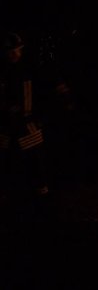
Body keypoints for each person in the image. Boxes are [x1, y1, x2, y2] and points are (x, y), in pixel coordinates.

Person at [0, 31, 51, 220]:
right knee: (5, 161)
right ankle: (9, 197)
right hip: (5, 125)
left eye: (16, 50)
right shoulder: (3, 72)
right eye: (9, 51)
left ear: (21, 50)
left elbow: (43, 94)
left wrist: (39, 117)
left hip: (28, 124)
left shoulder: (31, 70)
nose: (13, 54)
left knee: (35, 160)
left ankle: (42, 199)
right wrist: (7, 109)